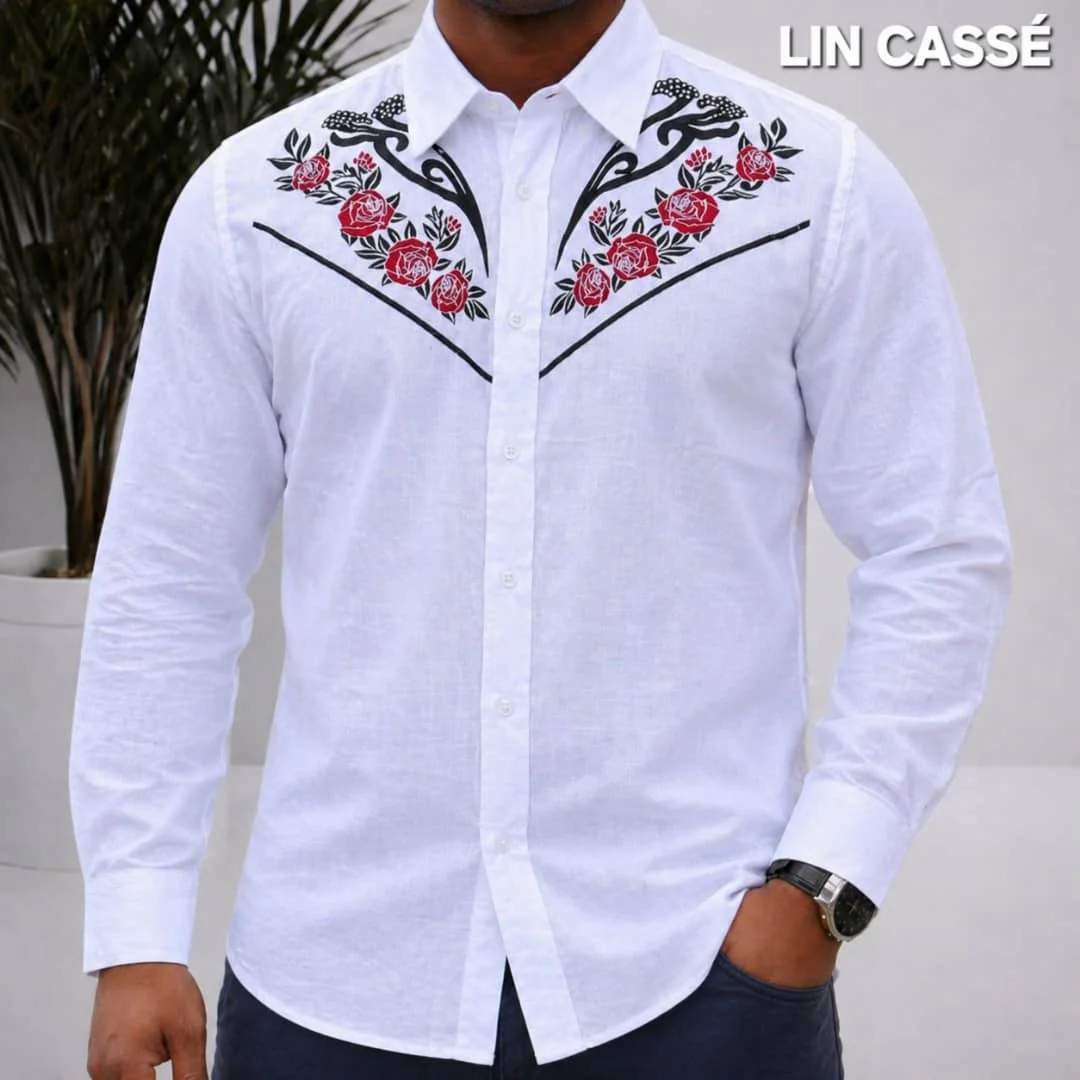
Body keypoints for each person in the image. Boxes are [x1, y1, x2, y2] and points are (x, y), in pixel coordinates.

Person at [69, 0, 1013, 1077]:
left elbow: (936, 545)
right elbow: (168, 578)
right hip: (333, 979)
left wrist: (824, 884)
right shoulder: (261, 201)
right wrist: (136, 929)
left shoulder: (808, 184)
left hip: (700, 972)